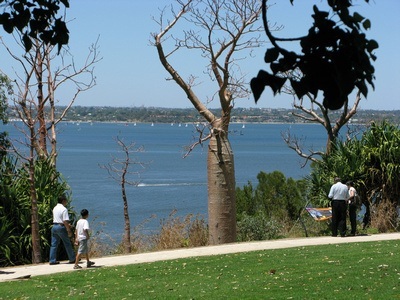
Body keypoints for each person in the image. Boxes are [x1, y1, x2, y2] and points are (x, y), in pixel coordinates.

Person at [49, 195, 76, 265]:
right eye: (66, 201)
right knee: (67, 243)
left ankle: (52, 260)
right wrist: (69, 230)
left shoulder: (55, 208)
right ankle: (72, 258)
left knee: (54, 244)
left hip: (54, 226)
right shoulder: (64, 209)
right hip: (61, 227)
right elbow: (65, 221)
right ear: (63, 201)